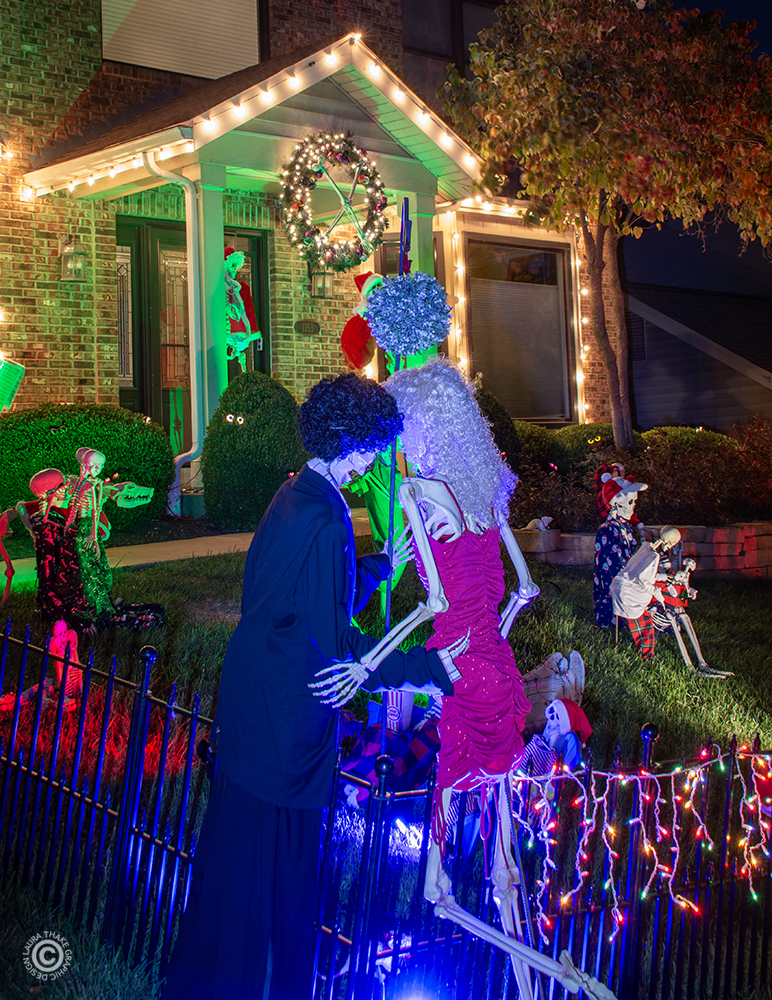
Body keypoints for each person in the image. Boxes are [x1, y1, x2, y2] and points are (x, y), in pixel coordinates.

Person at [162, 372, 465, 1000]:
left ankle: (216, 980)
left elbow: (296, 602)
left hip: (253, 693)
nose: (373, 460)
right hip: (290, 718)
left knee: (238, 860)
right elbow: (343, 651)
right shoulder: (327, 518)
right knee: (286, 869)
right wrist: (432, 669)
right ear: (349, 440)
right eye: (371, 446)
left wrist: (383, 566)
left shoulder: (295, 492)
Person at [383, 359, 536, 903]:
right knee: (495, 773)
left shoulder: (419, 492)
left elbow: (435, 601)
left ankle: (437, 875)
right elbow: (524, 584)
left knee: (453, 768)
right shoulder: (487, 488)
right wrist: (488, 632)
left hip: (459, 655)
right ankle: (498, 871)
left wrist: (377, 658)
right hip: (495, 654)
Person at [593, 475, 647, 628]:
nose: (633, 507)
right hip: (617, 591)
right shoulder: (607, 531)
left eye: (634, 502)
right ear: (615, 504)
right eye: (630, 502)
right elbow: (609, 573)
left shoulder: (625, 527)